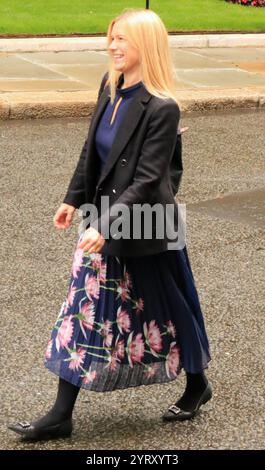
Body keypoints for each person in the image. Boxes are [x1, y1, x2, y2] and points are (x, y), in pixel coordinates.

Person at [8, 8, 212, 441]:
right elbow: (92, 152)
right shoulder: (110, 86)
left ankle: (197, 385)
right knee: (83, 307)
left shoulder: (162, 107)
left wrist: (107, 225)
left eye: (123, 39)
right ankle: (61, 414)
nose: (114, 46)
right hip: (103, 220)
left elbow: (148, 179)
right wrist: (73, 199)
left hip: (147, 222)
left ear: (147, 46)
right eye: (112, 37)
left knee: (171, 306)